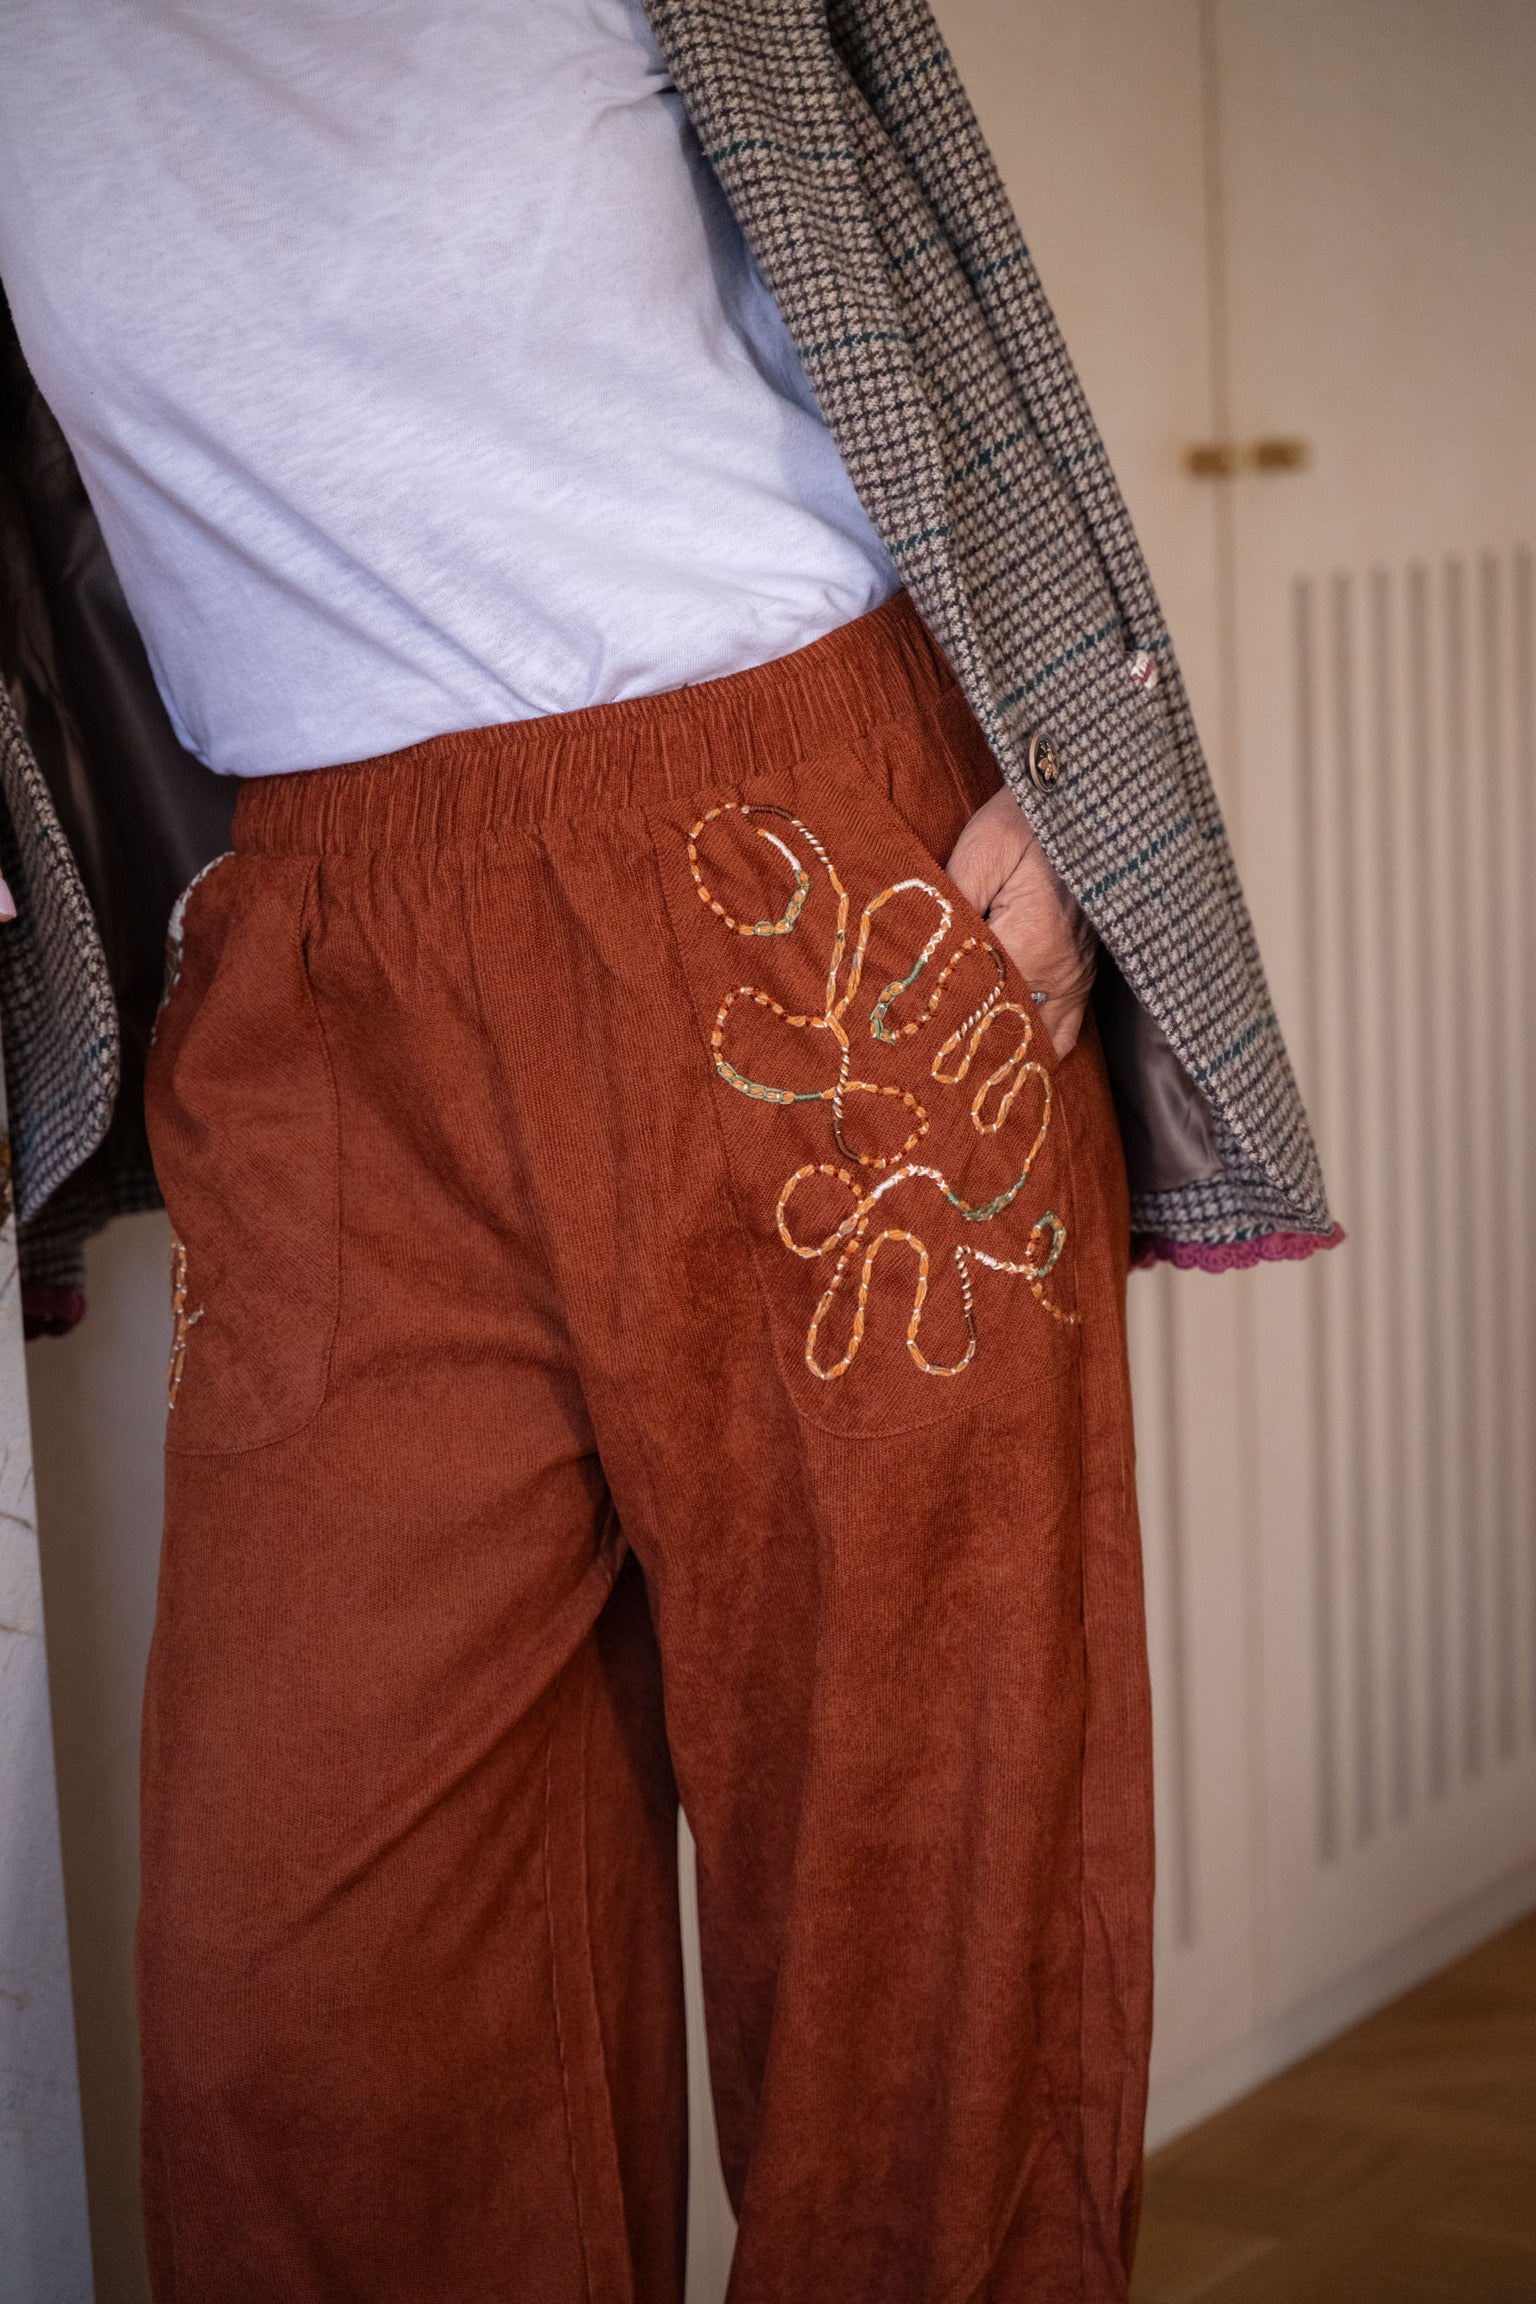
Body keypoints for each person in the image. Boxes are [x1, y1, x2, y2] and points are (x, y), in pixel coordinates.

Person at [0, 2, 1336, 2298]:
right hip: (322, 982)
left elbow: (932, 277)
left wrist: (1052, 751)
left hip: (817, 895)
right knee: (301, 2032)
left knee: (920, 1999)